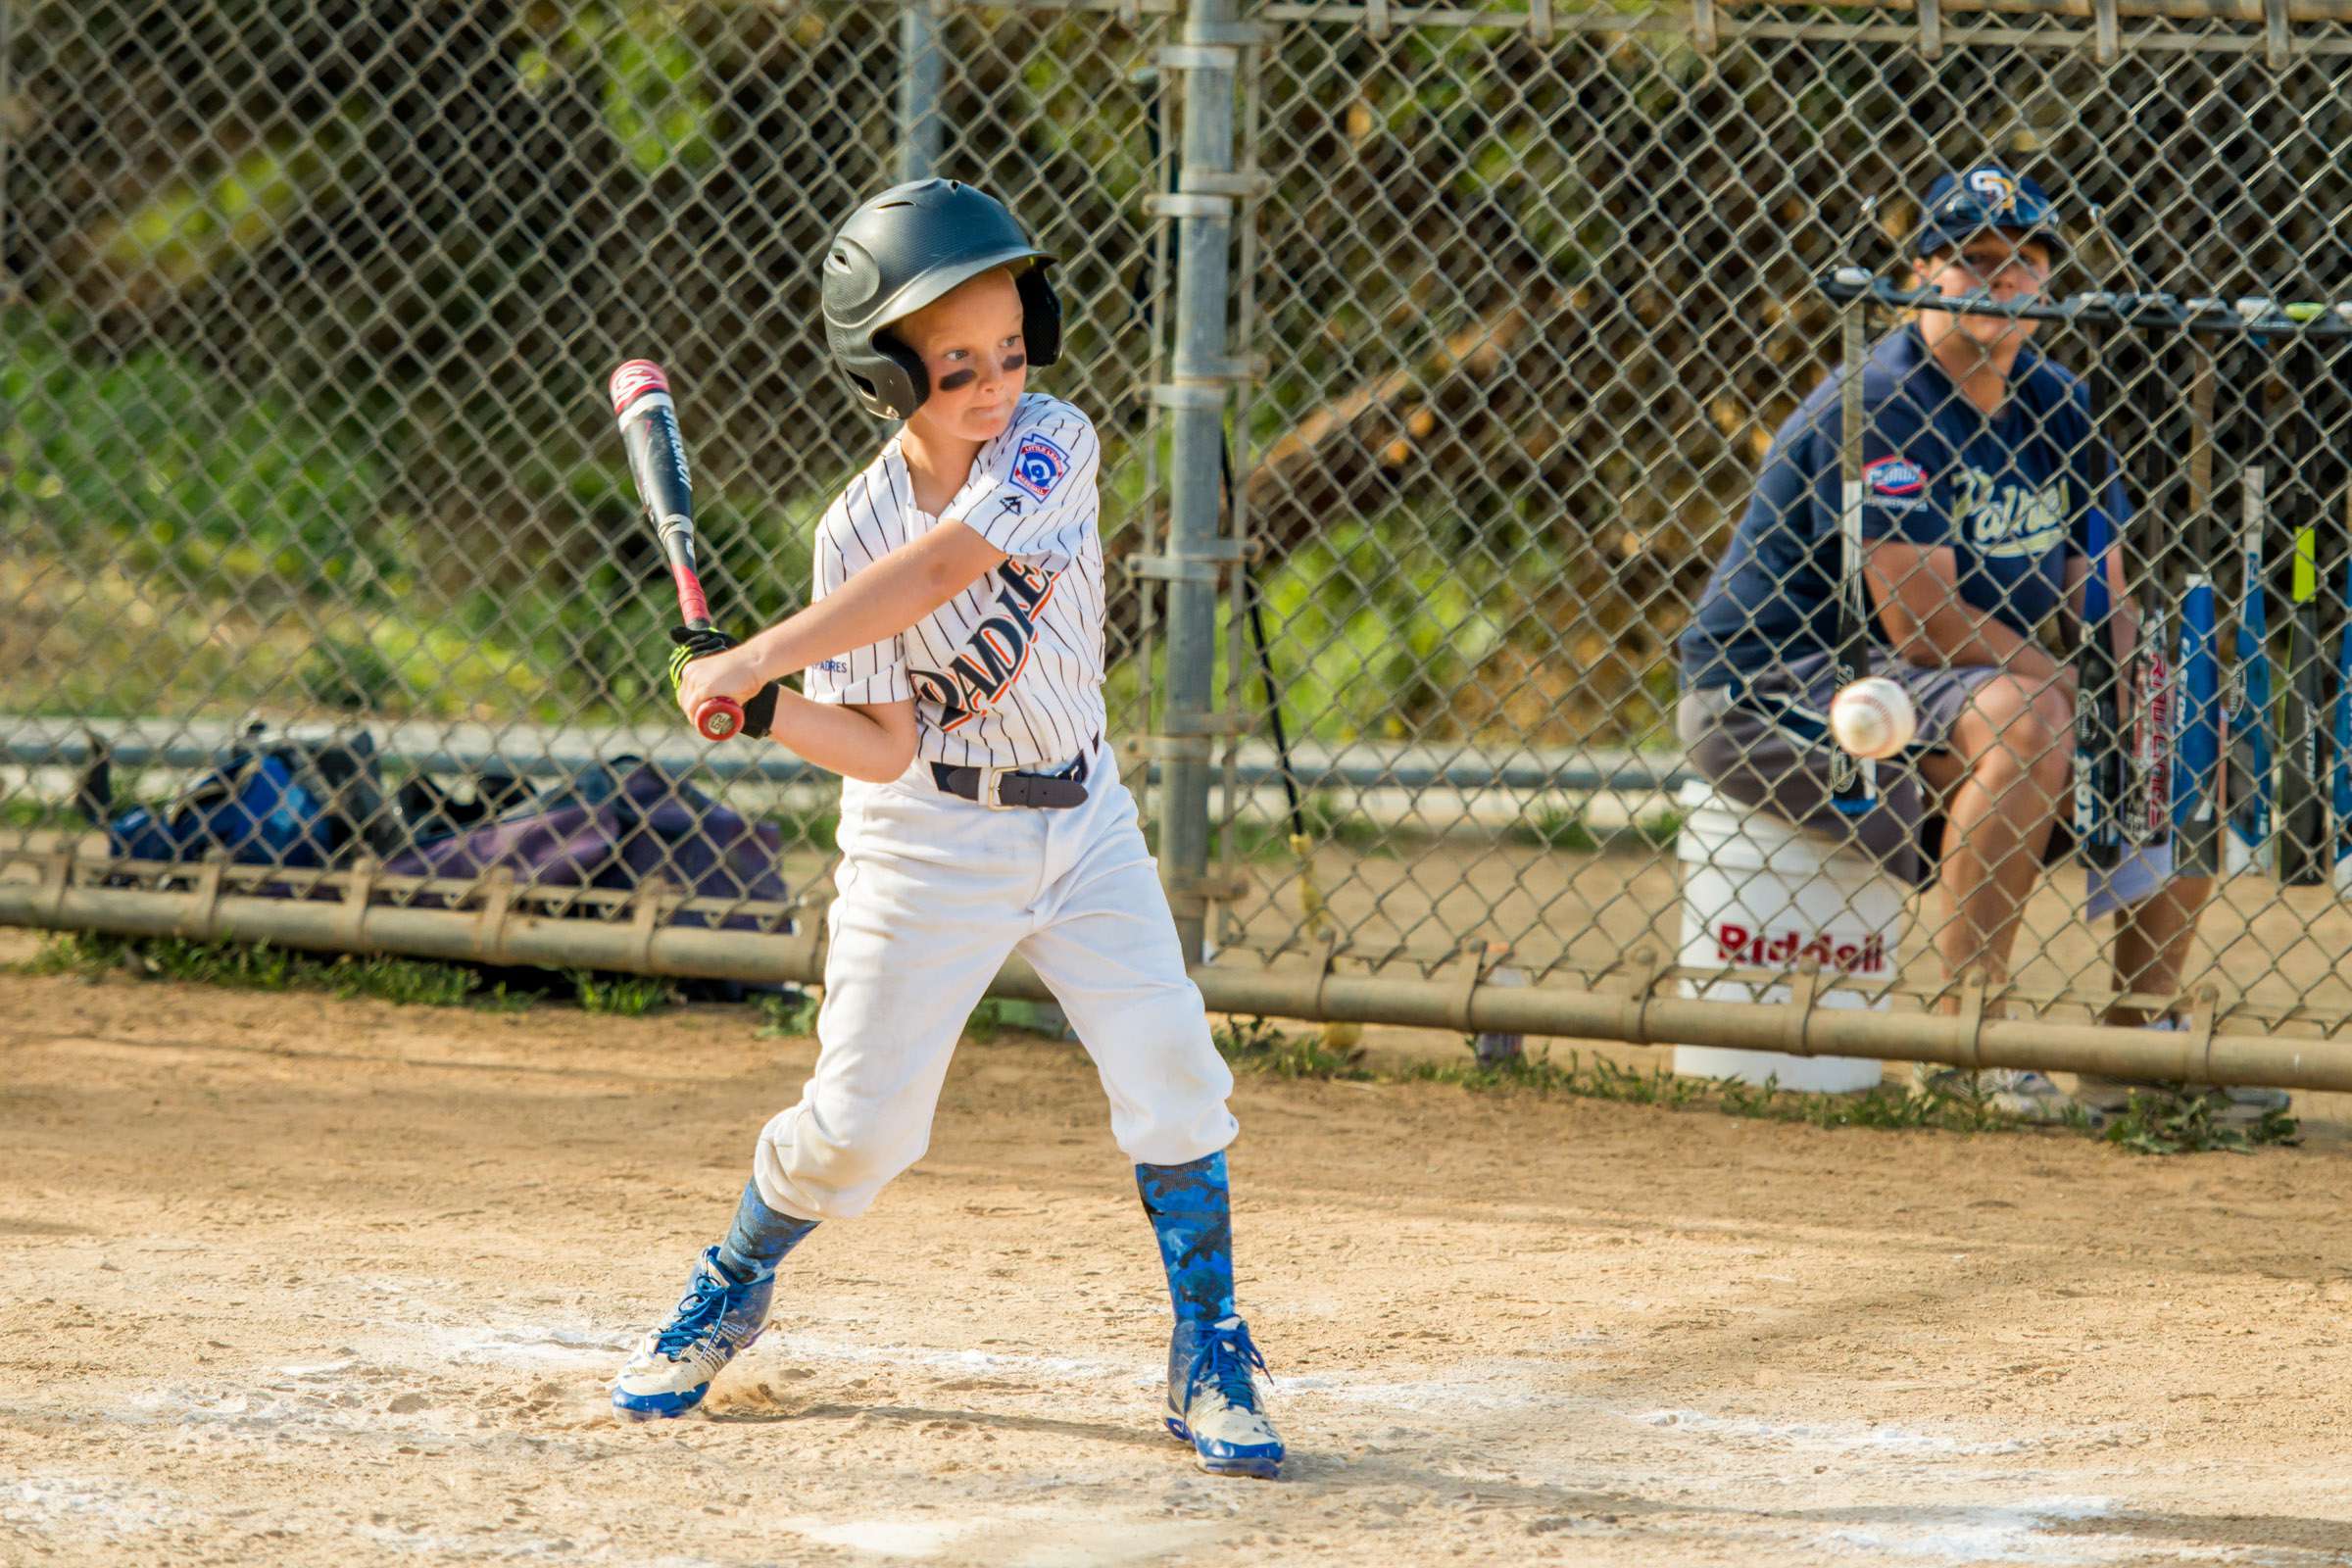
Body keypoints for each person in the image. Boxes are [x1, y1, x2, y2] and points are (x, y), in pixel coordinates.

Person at [607, 177, 1283, 1479]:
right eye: (956, 363)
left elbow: (943, 572)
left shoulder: (1053, 442)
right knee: (862, 1130)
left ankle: (1209, 1346)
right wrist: (756, 710)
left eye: (1011, 349)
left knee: (1173, 1070)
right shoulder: (850, 528)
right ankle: (733, 1281)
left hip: (1083, 821)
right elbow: (877, 743)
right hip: (927, 844)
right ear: (885, 372)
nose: (993, 382)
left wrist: (749, 654)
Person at [1675, 164, 2271, 1125]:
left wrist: (2149, 701)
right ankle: (1969, 1039)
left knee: (2188, 713)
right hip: (1774, 688)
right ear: (1923, 274)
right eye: (1969, 259)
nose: (1996, 281)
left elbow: (2100, 594)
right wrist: (2081, 696)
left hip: (1930, 693)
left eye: (2020, 263)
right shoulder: (1881, 398)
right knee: (2027, 711)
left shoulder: (2057, 403)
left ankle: (2136, 1037)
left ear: (2045, 283)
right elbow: (1925, 622)